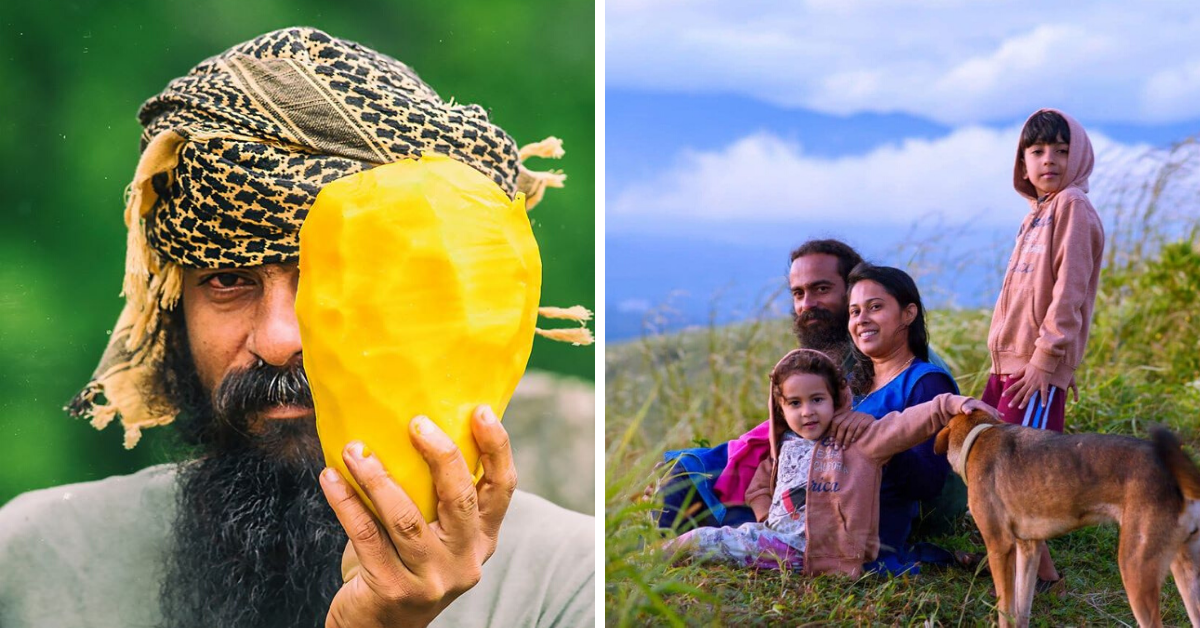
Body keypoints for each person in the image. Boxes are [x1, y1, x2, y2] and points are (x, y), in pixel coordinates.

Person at [0, 28, 592, 628]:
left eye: (332, 283)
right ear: (174, 310)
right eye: (228, 281)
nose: (281, 340)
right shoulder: (30, 564)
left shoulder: (573, 585)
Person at [665, 349, 996, 575]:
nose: (807, 411)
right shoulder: (784, 442)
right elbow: (759, 482)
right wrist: (765, 512)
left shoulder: (860, 438)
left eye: (817, 400)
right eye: (795, 403)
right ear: (781, 409)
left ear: (837, 399)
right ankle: (654, 557)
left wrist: (951, 403)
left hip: (815, 552)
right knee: (729, 535)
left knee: (697, 540)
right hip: (778, 540)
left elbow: (909, 422)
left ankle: (650, 560)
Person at [981, 109, 1105, 587]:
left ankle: (1034, 577)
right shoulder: (1036, 212)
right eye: (1036, 151)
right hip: (1011, 363)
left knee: (1021, 477)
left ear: (1079, 157)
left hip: (1033, 366)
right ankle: (1040, 572)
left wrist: (1047, 360)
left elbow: (1069, 293)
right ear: (1023, 161)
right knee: (996, 467)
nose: (1048, 159)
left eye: (1061, 149)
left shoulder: (1072, 205)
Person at [845, 262, 964, 573]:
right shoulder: (851, 383)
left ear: (908, 313)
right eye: (854, 311)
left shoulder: (925, 383)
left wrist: (881, 443)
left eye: (875, 307)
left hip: (875, 531)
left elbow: (927, 483)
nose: (862, 319)